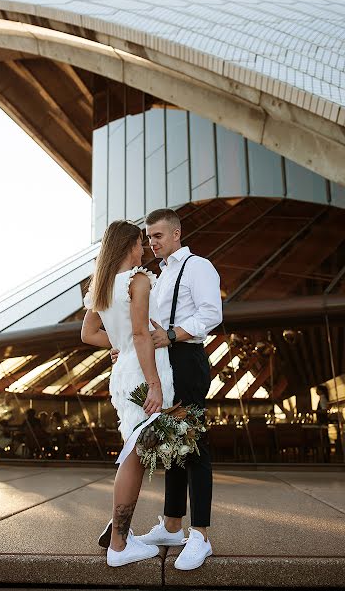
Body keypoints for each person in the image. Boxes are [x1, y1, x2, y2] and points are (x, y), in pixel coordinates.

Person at [110, 208, 222, 570]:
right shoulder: (156, 274)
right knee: (172, 443)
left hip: (187, 359)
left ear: (176, 234)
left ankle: (200, 535)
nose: (151, 242)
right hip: (164, 363)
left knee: (195, 444)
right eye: (148, 236)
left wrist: (172, 334)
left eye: (157, 235)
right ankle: (173, 526)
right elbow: (144, 324)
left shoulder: (198, 266)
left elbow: (211, 314)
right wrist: (125, 344)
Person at [81, 220, 175, 567]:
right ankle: (119, 546)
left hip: (123, 374)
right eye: (140, 242)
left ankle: (120, 534)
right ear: (129, 246)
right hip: (142, 372)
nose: (143, 248)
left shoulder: (103, 285)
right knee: (135, 456)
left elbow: (88, 334)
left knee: (133, 451)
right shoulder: (137, 281)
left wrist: (117, 343)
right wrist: (154, 382)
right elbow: (139, 335)